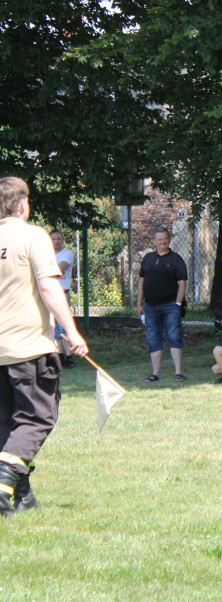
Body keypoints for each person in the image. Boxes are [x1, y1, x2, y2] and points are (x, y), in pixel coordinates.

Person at [0, 176, 88, 516]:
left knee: (7, 422)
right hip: (28, 347)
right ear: (23, 204)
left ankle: (20, 497)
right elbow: (50, 288)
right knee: (39, 416)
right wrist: (72, 332)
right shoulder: (33, 235)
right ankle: (5, 477)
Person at [138, 226, 188, 382]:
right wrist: (139, 304)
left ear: (169, 239)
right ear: (155, 241)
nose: (163, 242)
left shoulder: (176, 259)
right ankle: (155, 373)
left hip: (170, 306)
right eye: (159, 240)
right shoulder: (147, 259)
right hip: (150, 306)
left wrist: (178, 304)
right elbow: (141, 282)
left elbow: (182, 284)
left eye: (165, 239)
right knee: (153, 339)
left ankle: (178, 372)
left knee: (174, 337)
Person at [50, 229, 75, 368]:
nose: (56, 241)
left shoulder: (67, 254)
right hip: (48, 293)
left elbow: (58, 271)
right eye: (53, 239)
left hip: (62, 293)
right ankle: (58, 357)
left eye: (58, 239)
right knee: (53, 328)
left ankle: (69, 357)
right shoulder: (46, 254)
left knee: (63, 326)